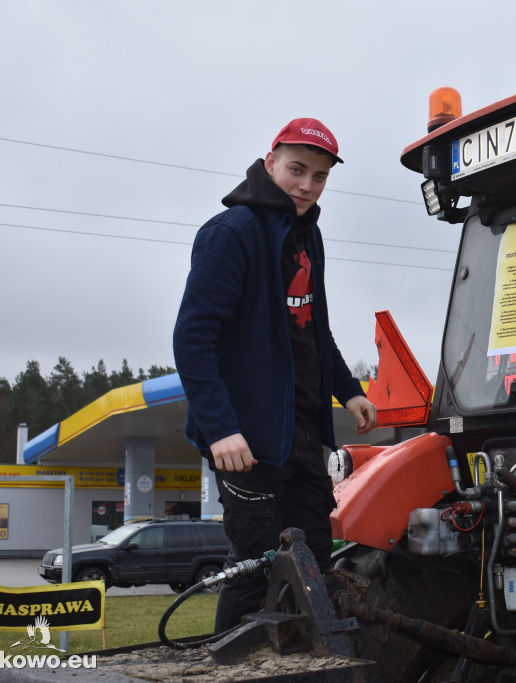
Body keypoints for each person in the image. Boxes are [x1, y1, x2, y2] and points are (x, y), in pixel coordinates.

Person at [173, 117, 377, 632]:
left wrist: (348, 390)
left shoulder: (308, 237)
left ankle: (300, 662)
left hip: (303, 435)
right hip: (247, 441)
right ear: (270, 164)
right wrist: (220, 427)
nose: (307, 185)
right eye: (296, 170)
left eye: (320, 176)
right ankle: (231, 669)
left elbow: (312, 329)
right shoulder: (230, 234)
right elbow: (193, 340)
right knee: (258, 566)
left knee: (313, 561)